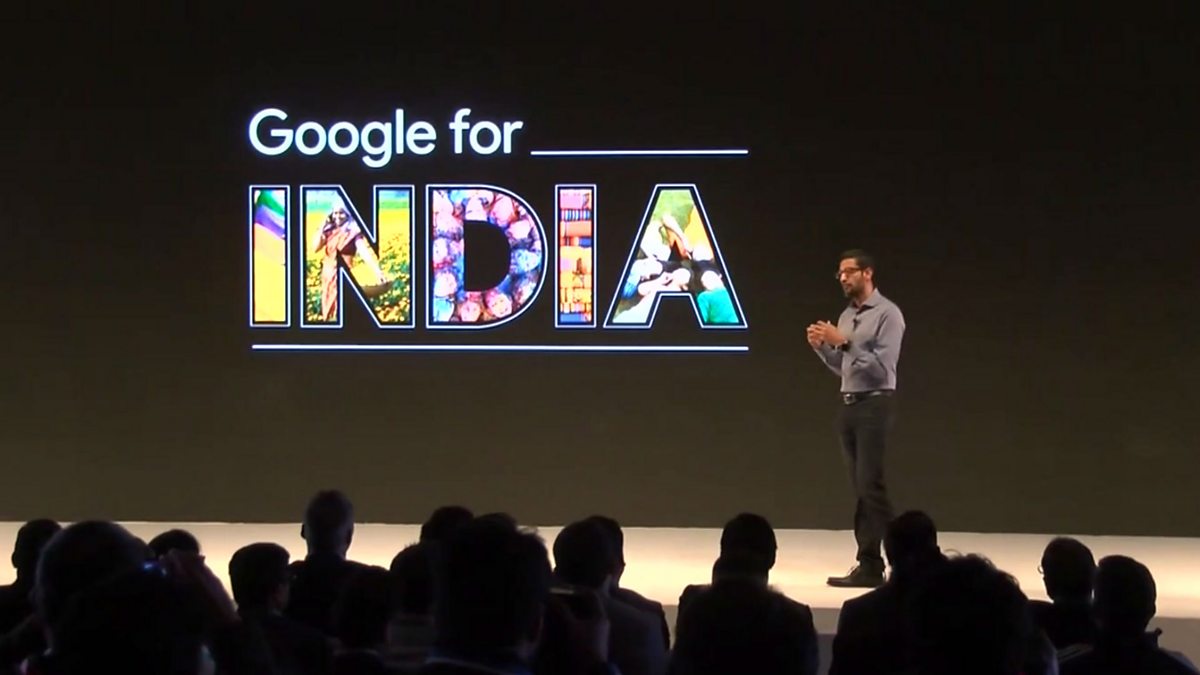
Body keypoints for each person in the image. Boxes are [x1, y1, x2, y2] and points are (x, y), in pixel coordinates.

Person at [808, 249, 906, 588]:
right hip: (849, 405)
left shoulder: (888, 314)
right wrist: (823, 348)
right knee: (862, 490)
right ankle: (869, 565)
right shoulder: (847, 315)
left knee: (870, 486)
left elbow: (882, 369)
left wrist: (845, 343)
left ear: (868, 273)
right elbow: (845, 368)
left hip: (875, 405)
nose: (843, 278)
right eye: (840, 273)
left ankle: (908, 561)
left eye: (849, 271)